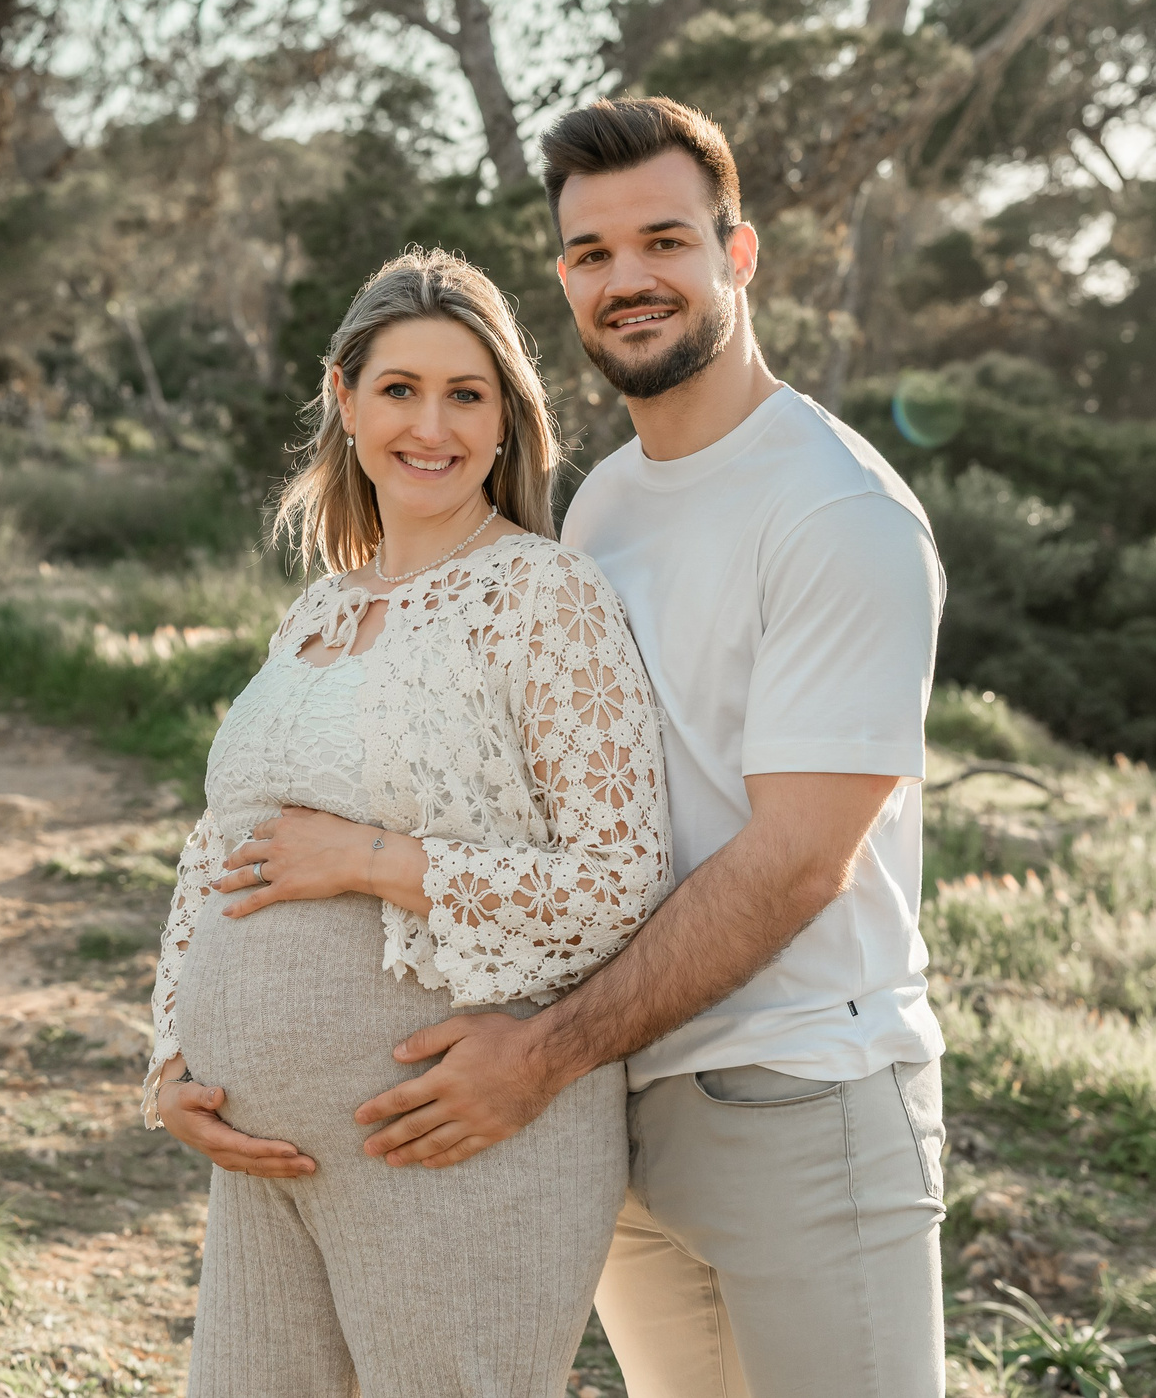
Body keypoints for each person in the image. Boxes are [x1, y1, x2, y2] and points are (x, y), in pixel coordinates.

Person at [348, 98, 951, 1398]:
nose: (628, 280)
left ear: (738, 254)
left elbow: (799, 861)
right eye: (591, 254)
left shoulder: (838, 512)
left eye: (664, 241)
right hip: (616, 1091)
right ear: (563, 277)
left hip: (800, 1089)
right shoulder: (605, 501)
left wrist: (544, 1050)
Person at [144, 248, 674, 1398]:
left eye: (464, 393)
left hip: (450, 1144)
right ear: (344, 399)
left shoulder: (545, 595)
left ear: (504, 422)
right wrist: (172, 1055)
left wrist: (373, 859)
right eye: (398, 389)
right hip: (261, 1154)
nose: (429, 424)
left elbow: (619, 876)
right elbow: (212, 847)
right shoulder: (322, 606)